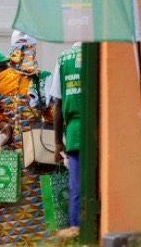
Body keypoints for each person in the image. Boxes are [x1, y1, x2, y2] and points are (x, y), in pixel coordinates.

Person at [0, 40, 55, 245]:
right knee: (40, 202)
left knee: (4, 204)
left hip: (7, 154)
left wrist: (1, 124)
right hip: (38, 151)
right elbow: (53, 114)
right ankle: (41, 241)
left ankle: (0, 241)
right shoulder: (43, 78)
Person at [53, 42, 83, 231]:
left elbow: (57, 103)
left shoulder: (63, 59)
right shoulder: (100, 54)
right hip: (98, 130)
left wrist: (57, 142)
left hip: (74, 133)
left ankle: (76, 232)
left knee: (76, 188)